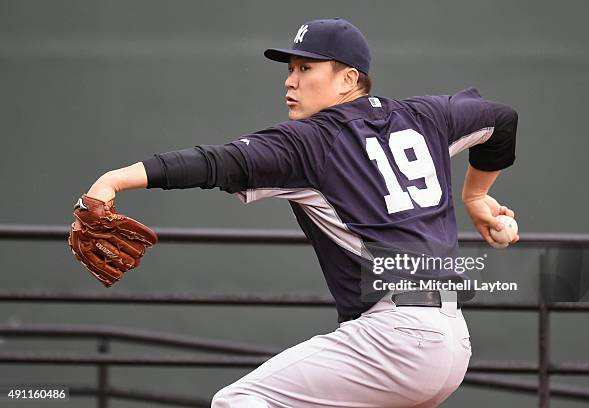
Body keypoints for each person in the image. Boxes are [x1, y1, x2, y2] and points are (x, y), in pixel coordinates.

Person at [83, 18, 519, 408]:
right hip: (452, 342)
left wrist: (115, 180)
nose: (290, 82)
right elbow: (501, 120)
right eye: (290, 69)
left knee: (240, 400)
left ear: (349, 78)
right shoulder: (426, 117)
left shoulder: (310, 142)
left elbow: (215, 162)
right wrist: (477, 196)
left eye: (306, 68)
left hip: (395, 339)